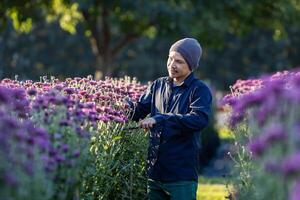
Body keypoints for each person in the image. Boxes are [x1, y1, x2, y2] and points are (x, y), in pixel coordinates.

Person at [126, 38, 212, 200]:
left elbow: (199, 119)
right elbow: (137, 111)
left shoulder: (199, 90)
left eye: (179, 61)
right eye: (170, 58)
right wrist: (117, 105)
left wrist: (161, 119)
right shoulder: (158, 85)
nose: (172, 64)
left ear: (191, 65)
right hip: (155, 173)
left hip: (181, 176)